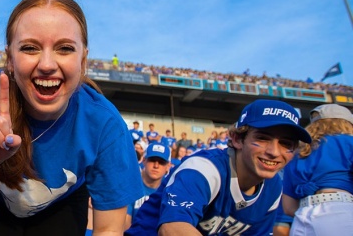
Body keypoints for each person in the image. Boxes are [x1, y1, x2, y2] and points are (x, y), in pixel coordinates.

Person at [0, 0, 143, 235]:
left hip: (60, 209)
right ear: (10, 59)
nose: (46, 64)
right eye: (30, 48)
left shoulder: (105, 124)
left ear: (83, 60)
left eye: (64, 48)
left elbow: (109, 229)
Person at [127, 99, 312, 235]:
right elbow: (173, 229)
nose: (274, 152)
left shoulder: (273, 188)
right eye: (262, 138)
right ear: (238, 139)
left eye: (286, 143)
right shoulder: (203, 168)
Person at [282, 104, 353, 236]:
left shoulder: (295, 153)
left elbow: (288, 207)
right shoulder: (349, 142)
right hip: (340, 211)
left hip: (301, 217)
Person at [125, 143, 171, 230]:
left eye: (161, 162)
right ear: (144, 161)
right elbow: (125, 225)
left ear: (168, 166)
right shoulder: (130, 185)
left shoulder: (170, 191)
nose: (156, 166)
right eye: (152, 160)